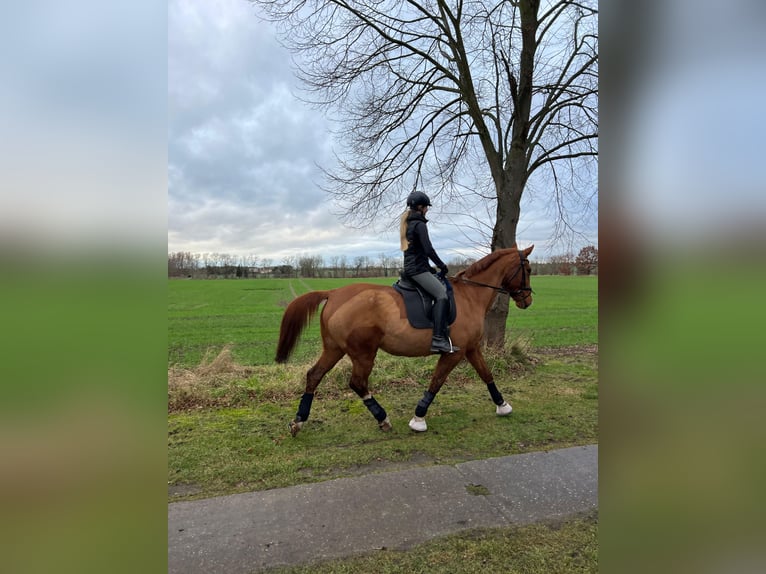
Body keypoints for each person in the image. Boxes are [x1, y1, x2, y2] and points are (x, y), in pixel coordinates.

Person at [400, 191, 459, 354]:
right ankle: (438, 340)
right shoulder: (419, 225)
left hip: (417, 267)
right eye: (426, 207)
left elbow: (417, 252)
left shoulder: (410, 223)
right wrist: (442, 265)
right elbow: (428, 249)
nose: (427, 210)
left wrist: (430, 269)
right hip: (417, 270)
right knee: (441, 294)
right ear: (420, 207)